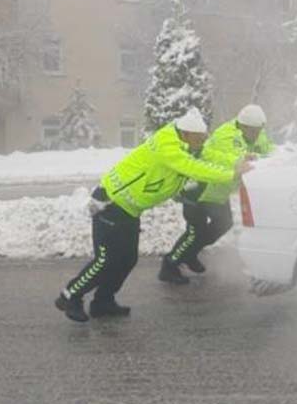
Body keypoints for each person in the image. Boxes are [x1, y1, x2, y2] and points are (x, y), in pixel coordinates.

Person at [54, 110, 250, 322]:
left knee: (128, 259)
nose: (203, 141)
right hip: (110, 204)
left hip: (130, 210)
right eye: (200, 137)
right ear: (186, 134)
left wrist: (238, 161)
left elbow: (210, 155)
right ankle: (70, 296)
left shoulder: (188, 145)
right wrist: (232, 174)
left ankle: (103, 301)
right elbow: (194, 168)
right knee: (106, 260)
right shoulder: (167, 147)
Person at [160, 103, 275, 283]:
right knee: (194, 231)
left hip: (217, 192)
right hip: (199, 188)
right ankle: (169, 265)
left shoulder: (258, 134)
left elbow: (269, 150)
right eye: (252, 130)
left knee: (223, 224)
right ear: (243, 126)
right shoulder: (226, 135)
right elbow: (231, 159)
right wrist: (244, 160)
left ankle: (190, 253)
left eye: (258, 130)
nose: (256, 134)